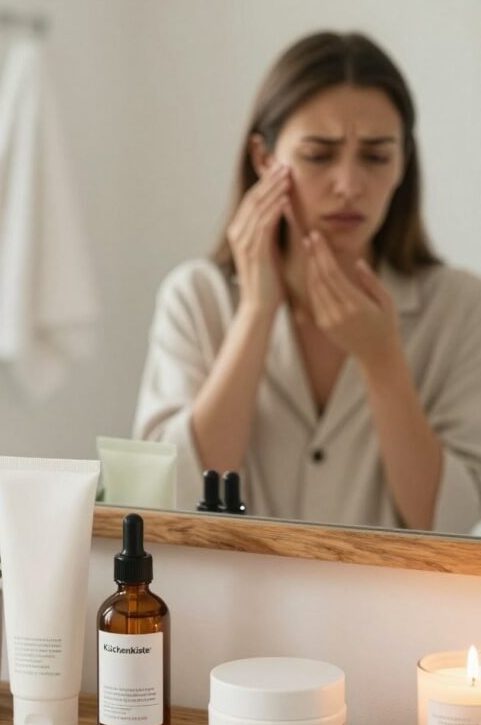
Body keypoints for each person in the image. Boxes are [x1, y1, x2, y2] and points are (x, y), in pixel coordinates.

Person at [133, 31, 481, 532]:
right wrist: (255, 314)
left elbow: (455, 522)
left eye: (376, 156)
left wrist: (382, 361)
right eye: (320, 155)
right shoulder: (197, 298)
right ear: (264, 159)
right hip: (230, 606)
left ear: (404, 161)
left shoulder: (460, 308)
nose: (349, 184)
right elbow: (173, 501)